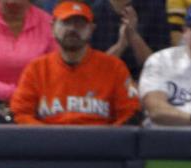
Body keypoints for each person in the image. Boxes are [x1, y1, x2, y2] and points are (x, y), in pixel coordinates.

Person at [9, 0, 140, 125]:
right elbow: (19, 112)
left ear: (92, 29)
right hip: (48, 145)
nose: (72, 28)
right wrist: (48, 138)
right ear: (52, 27)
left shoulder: (114, 67)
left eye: (80, 24)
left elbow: (131, 113)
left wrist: (108, 138)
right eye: (66, 22)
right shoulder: (36, 69)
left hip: (100, 145)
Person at [0, 0, 55, 105]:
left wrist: (28, 95)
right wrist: (16, 94)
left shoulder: (49, 24)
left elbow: (55, 73)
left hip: (39, 104)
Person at [89, 0, 171, 79]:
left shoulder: (154, 7)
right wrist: (121, 45)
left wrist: (133, 35)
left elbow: (160, 67)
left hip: (145, 81)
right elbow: (94, 70)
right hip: (106, 82)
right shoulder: (95, 10)